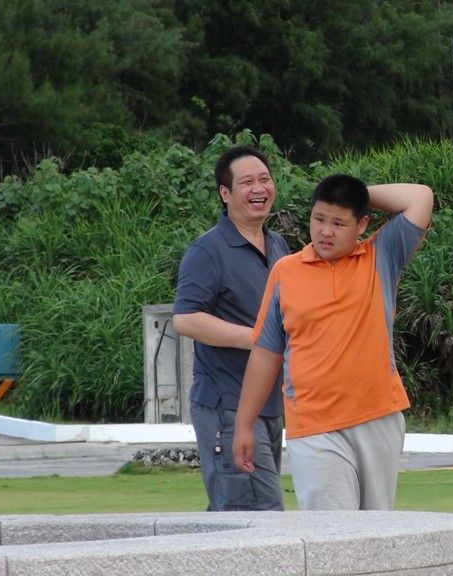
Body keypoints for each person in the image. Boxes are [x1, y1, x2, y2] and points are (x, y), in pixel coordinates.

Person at [231, 174, 433, 511]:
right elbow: (266, 353)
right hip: (313, 425)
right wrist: (244, 425)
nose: (325, 231)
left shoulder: (381, 255)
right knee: (331, 530)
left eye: (339, 223)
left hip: (377, 417)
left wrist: (356, 193)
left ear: (361, 224)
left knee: (377, 529)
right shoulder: (285, 272)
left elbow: (421, 197)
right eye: (319, 219)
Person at [173, 145, 290, 511]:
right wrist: (258, 339)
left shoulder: (278, 245)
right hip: (228, 404)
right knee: (257, 513)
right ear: (225, 193)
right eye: (247, 182)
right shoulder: (207, 250)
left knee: (237, 513)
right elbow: (186, 319)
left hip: (269, 403)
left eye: (265, 179)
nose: (259, 189)